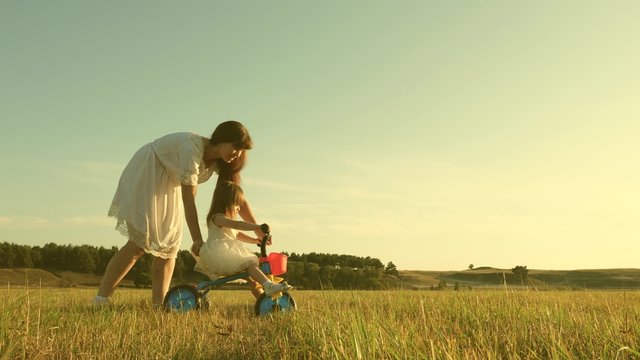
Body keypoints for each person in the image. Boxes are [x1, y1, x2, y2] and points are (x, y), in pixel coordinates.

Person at [95, 121, 262, 306]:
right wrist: (197, 239)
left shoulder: (220, 162)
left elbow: (237, 199)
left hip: (170, 181)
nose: (237, 154)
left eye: (241, 150)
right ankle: (101, 300)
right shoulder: (191, 148)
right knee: (139, 243)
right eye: (236, 147)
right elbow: (189, 198)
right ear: (222, 140)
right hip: (151, 168)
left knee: (169, 249)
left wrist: (258, 230)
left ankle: (160, 304)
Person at [194, 181, 293, 297]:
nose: (239, 208)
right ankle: (268, 285)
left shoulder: (225, 222)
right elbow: (237, 225)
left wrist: (255, 240)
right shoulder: (218, 218)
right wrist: (257, 227)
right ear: (227, 202)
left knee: (251, 277)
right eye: (237, 204)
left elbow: (238, 234)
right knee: (250, 265)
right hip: (219, 256)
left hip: (224, 256)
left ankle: (263, 298)